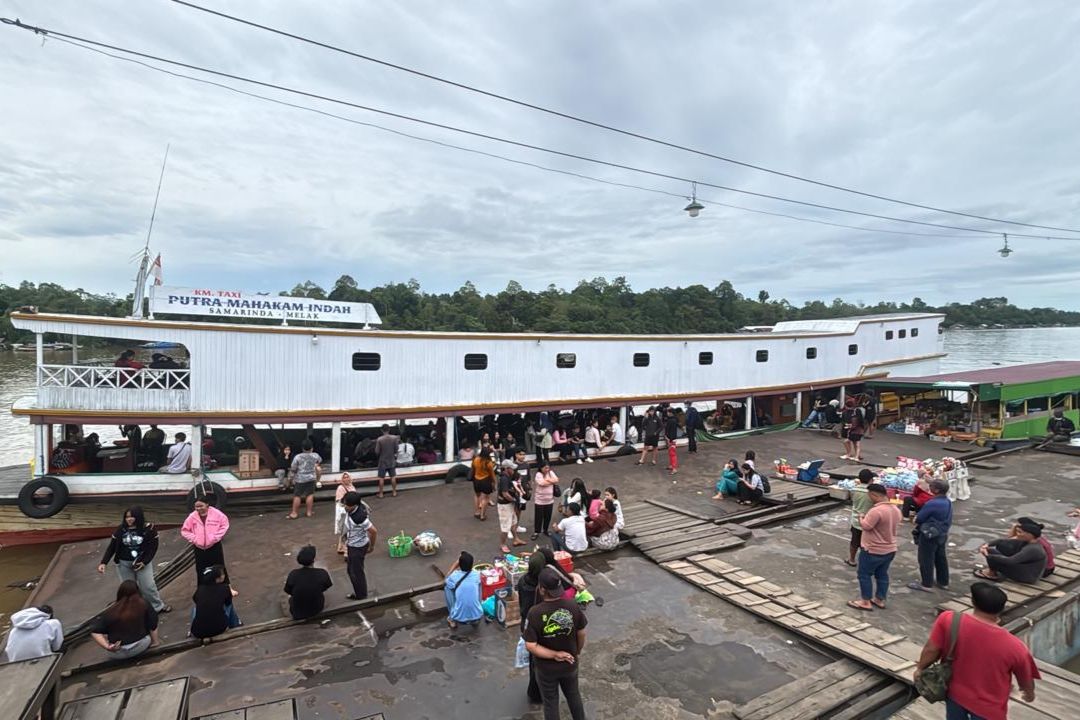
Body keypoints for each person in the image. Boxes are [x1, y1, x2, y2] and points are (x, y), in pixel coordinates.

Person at [914, 582, 1039, 719]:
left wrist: (920, 669)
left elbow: (931, 650)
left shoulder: (949, 620)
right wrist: (1029, 694)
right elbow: (1025, 678)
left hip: (955, 695)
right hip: (989, 708)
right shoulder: (1016, 647)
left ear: (973, 602)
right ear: (1001, 609)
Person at [523, 566, 589, 720]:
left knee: (551, 703)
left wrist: (555, 655)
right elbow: (582, 633)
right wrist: (576, 651)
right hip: (570, 663)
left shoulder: (534, 613)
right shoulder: (573, 606)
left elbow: (531, 645)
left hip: (546, 670)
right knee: (574, 696)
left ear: (541, 589)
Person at [98, 506, 170, 613]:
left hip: (142, 563)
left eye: (132, 517)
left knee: (148, 586)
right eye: (127, 517)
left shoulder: (149, 529)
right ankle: (136, 609)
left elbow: (152, 548)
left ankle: (157, 606)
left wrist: (144, 562)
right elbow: (112, 547)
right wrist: (103, 562)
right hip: (124, 564)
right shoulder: (120, 530)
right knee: (129, 589)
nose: (129, 519)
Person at [847, 483, 900, 611]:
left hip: (873, 549)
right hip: (890, 549)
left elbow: (866, 526)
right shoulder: (896, 509)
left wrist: (861, 517)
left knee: (864, 574)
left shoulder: (876, 511)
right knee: (882, 574)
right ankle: (879, 599)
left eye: (870, 495)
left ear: (874, 495)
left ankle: (865, 601)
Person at [89, 580, 160, 660]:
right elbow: (153, 624)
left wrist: (108, 647)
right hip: (140, 647)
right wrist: (155, 642)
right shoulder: (143, 604)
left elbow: (95, 631)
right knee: (148, 633)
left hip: (117, 653)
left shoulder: (111, 608)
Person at [908, 479, 952, 592]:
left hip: (929, 535)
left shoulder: (932, 503)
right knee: (940, 557)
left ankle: (926, 583)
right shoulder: (947, 502)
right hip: (942, 533)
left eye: (931, 486)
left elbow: (920, 518)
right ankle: (943, 582)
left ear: (936, 490)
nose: (929, 488)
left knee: (926, 558)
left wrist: (915, 518)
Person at [975, 518, 1047, 583]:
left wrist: (988, 556)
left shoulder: (1033, 549)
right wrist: (987, 545)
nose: (1017, 535)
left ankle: (991, 574)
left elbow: (1011, 560)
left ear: (1029, 535)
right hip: (1025, 569)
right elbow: (1002, 541)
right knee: (991, 549)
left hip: (1027, 577)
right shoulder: (1027, 541)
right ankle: (993, 571)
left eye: (1020, 532)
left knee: (992, 554)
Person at [517, 553, 547, 704]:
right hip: (538, 626)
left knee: (533, 659)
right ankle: (538, 693)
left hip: (526, 624)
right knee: (540, 661)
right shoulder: (542, 587)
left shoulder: (523, 580)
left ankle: (533, 690)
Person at [181, 496, 230, 582]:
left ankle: (227, 587)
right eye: (196, 507)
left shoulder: (217, 514)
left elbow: (224, 525)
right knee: (201, 569)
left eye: (201, 506)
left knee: (219, 567)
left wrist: (215, 537)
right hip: (199, 548)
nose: (199, 509)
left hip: (214, 545)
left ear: (207, 504)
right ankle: (203, 589)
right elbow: (185, 531)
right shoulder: (192, 517)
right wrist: (195, 539)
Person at [342, 491, 377, 600]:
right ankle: (360, 592)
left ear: (354, 505)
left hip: (358, 547)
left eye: (347, 505)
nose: (344, 507)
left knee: (356, 572)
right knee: (351, 570)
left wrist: (371, 546)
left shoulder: (359, 517)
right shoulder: (355, 508)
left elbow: (374, 531)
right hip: (352, 544)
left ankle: (361, 596)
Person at [190, 564, 241, 641]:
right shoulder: (225, 588)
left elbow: (195, 599)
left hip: (197, 632)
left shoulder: (200, 589)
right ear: (217, 578)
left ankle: (190, 631)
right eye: (222, 574)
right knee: (229, 606)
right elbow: (228, 603)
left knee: (195, 609)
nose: (224, 576)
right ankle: (235, 624)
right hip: (219, 628)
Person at [284, 545, 333, 621]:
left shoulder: (293, 574)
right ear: (313, 560)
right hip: (317, 609)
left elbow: (288, 590)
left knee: (290, 598)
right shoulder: (322, 573)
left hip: (296, 613)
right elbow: (327, 586)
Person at [443, 551, 484, 629]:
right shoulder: (476, 575)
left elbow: (446, 579)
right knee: (478, 585)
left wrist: (454, 566)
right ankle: (476, 615)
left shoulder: (454, 576)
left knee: (447, 587)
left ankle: (452, 618)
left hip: (459, 617)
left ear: (459, 565)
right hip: (477, 614)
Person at [845, 469, 876, 567]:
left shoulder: (854, 489)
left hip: (856, 520)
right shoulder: (872, 492)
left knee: (854, 542)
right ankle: (865, 562)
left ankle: (852, 559)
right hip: (869, 521)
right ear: (870, 480)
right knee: (866, 544)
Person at [287, 439, 321, 519]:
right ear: (312, 448)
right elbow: (319, 461)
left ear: (302, 448)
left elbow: (293, 468)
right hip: (312, 478)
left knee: (297, 495)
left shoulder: (298, 457)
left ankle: (294, 513)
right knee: (309, 494)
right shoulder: (315, 455)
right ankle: (309, 512)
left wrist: (290, 479)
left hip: (300, 479)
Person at [497, 462, 527, 552]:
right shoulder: (504, 479)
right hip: (504, 506)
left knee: (514, 522)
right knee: (505, 526)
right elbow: (505, 494)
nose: (514, 471)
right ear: (507, 468)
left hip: (509, 504)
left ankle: (516, 539)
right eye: (512, 469)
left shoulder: (507, 477)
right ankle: (502, 544)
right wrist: (514, 500)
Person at [533, 462, 559, 540]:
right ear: (541, 468)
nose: (547, 469)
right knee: (538, 517)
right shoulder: (538, 474)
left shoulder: (550, 472)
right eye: (545, 468)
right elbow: (542, 483)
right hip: (539, 500)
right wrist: (551, 481)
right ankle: (536, 532)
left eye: (548, 468)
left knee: (547, 516)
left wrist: (547, 480)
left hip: (549, 500)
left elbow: (557, 480)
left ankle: (545, 530)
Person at [470, 448, 496, 521]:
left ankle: (477, 512)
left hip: (476, 479)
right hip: (485, 480)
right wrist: (494, 483)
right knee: (486, 498)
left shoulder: (476, 459)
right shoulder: (489, 463)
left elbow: (473, 468)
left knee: (477, 495)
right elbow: (492, 475)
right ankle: (482, 515)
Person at [375, 425, 400, 498]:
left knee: (381, 478)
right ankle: (394, 492)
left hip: (382, 461)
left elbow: (377, 451)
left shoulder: (379, 439)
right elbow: (396, 449)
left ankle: (381, 494)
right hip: (391, 460)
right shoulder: (394, 438)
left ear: (381, 430)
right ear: (389, 430)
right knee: (393, 477)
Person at [664, 408, 679, 475]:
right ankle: (671, 465)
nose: (667, 413)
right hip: (671, 438)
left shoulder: (672, 420)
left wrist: (669, 439)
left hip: (671, 439)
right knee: (670, 453)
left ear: (670, 413)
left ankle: (674, 468)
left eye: (668, 412)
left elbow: (672, 431)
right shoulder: (673, 419)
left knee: (672, 454)